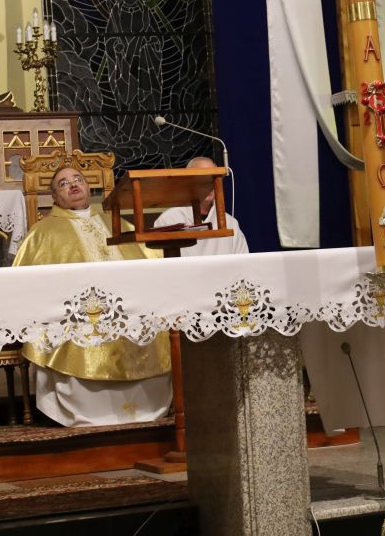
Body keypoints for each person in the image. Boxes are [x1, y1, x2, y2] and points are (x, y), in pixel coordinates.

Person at [13, 165, 172, 427]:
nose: (73, 185)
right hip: (77, 317)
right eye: (64, 183)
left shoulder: (117, 223)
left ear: (89, 187)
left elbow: (150, 264)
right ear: (54, 197)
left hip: (127, 312)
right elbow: (27, 285)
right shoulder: (42, 233)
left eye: (78, 179)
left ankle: (146, 407)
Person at [152, 156, 249, 256]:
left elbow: (243, 261)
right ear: (188, 182)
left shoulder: (230, 223)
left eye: (213, 179)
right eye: (202, 179)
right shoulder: (168, 220)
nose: (209, 185)